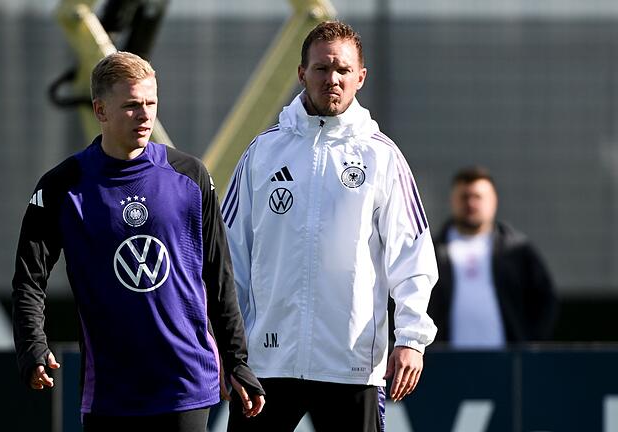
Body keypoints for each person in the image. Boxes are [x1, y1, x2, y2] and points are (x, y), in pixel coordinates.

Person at [11, 51, 264, 431]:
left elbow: (219, 276)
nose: (145, 115)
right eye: (131, 106)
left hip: (187, 386)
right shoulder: (63, 186)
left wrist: (237, 360)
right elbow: (29, 279)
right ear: (100, 110)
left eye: (150, 103)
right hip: (111, 394)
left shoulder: (190, 176)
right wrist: (32, 345)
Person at [222, 21, 437, 432]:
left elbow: (413, 255)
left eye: (342, 70)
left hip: (350, 363)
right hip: (269, 359)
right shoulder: (263, 152)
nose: (332, 79)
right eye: (321, 69)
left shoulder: (382, 157)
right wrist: (228, 346)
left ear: (361, 77)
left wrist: (411, 338)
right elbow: (230, 257)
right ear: (302, 74)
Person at [427, 166, 557, 349]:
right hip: (445, 361)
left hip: (506, 361)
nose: (471, 203)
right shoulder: (430, 251)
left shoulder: (517, 249)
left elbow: (545, 299)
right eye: (464, 197)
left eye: (478, 197)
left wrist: (529, 343)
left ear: (494, 201)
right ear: (452, 201)